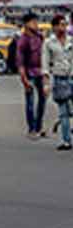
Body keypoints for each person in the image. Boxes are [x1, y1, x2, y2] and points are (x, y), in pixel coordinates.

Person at [41, 14, 73, 151]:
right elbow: (45, 64)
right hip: (60, 79)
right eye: (60, 25)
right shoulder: (49, 43)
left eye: (65, 24)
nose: (63, 27)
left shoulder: (71, 40)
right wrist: (46, 84)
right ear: (54, 27)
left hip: (72, 76)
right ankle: (66, 141)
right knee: (63, 112)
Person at [16, 12, 46, 139]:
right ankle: (32, 128)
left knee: (42, 100)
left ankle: (39, 127)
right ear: (26, 24)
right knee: (30, 102)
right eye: (33, 22)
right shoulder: (22, 40)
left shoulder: (39, 37)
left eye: (36, 21)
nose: (36, 24)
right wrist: (23, 78)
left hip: (41, 72)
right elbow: (20, 60)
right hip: (29, 73)